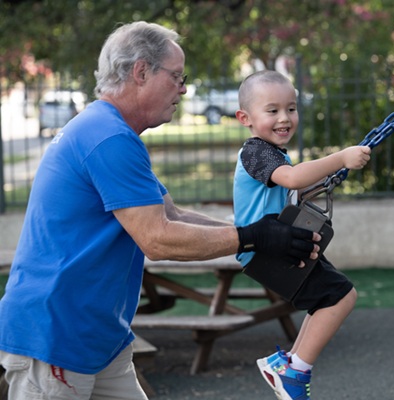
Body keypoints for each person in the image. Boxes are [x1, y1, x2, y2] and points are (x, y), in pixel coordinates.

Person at [0, 23, 320, 400]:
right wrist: (253, 237)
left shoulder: (111, 131)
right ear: (141, 72)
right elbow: (158, 238)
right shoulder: (107, 138)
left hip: (99, 336)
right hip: (56, 338)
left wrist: (255, 236)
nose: (183, 89)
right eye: (176, 76)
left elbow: (171, 214)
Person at [233, 70, 371, 400]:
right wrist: (339, 157)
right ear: (245, 118)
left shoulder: (272, 153)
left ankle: (289, 365)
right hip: (266, 247)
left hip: (278, 243)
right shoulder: (256, 152)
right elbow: (293, 179)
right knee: (341, 297)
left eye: (291, 108)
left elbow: (294, 184)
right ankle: (295, 371)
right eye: (273, 110)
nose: (284, 118)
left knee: (328, 298)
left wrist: (330, 176)